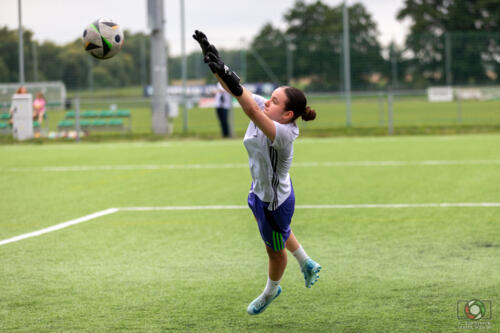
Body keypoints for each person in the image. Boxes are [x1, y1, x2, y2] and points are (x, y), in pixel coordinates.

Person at [193, 30, 322, 315]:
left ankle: (271, 290)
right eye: (271, 97)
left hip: (273, 204)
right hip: (262, 191)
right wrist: (214, 62)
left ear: (288, 115)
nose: (267, 102)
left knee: (274, 251)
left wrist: (225, 71)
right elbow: (235, 89)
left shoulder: (284, 133)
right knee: (280, 234)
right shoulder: (269, 108)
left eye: (274, 101)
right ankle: (306, 261)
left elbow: (250, 109)